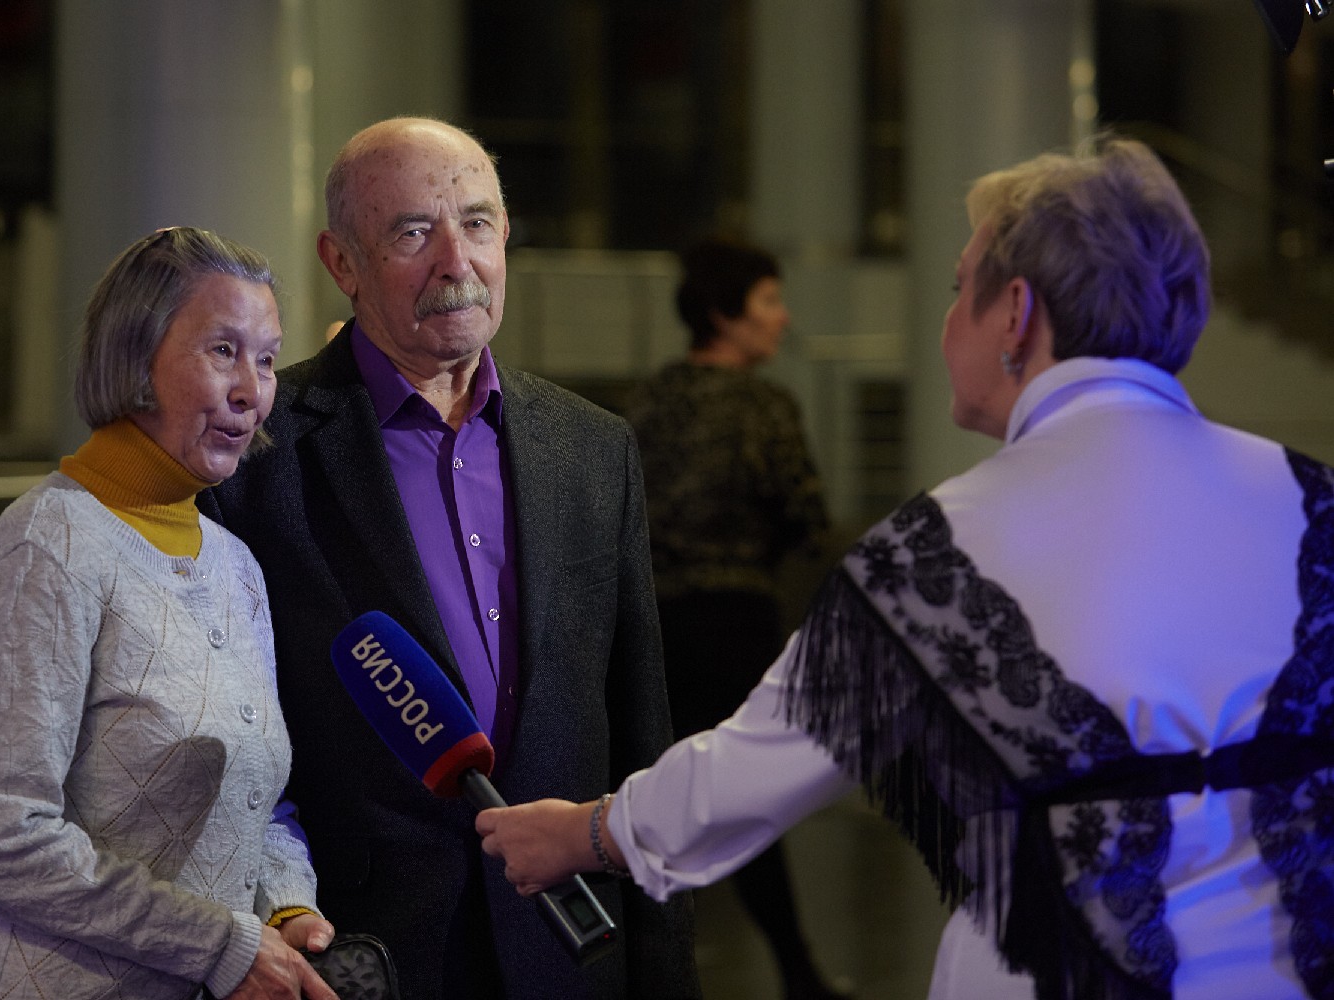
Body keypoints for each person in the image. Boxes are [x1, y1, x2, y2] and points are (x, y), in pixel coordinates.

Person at [476, 136, 1334, 1000]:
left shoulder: (950, 545)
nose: (948, 319)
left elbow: (759, 764)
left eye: (960, 288)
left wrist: (585, 833)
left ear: (1016, 313)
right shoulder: (1315, 503)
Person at [197, 118, 700, 999]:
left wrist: (663, 972)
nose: (455, 262)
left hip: (571, 952)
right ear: (343, 263)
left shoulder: (592, 447)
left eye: (476, 223)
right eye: (411, 232)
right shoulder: (257, 454)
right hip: (360, 950)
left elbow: (638, 731)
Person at [0, 227, 337, 1000]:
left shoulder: (235, 564)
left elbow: (255, 798)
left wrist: (287, 907)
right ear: (135, 358)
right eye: (223, 351)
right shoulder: (47, 543)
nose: (252, 390)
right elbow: (2, 836)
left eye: (266, 358)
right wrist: (219, 945)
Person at [625, 239, 843, 1000]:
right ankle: (798, 972)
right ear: (726, 314)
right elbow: (806, 516)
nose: (782, 319)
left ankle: (644, 972)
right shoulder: (765, 405)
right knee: (740, 799)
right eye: (769, 301)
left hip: (649, 628)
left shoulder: (645, 400)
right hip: (734, 622)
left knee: (649, 797)